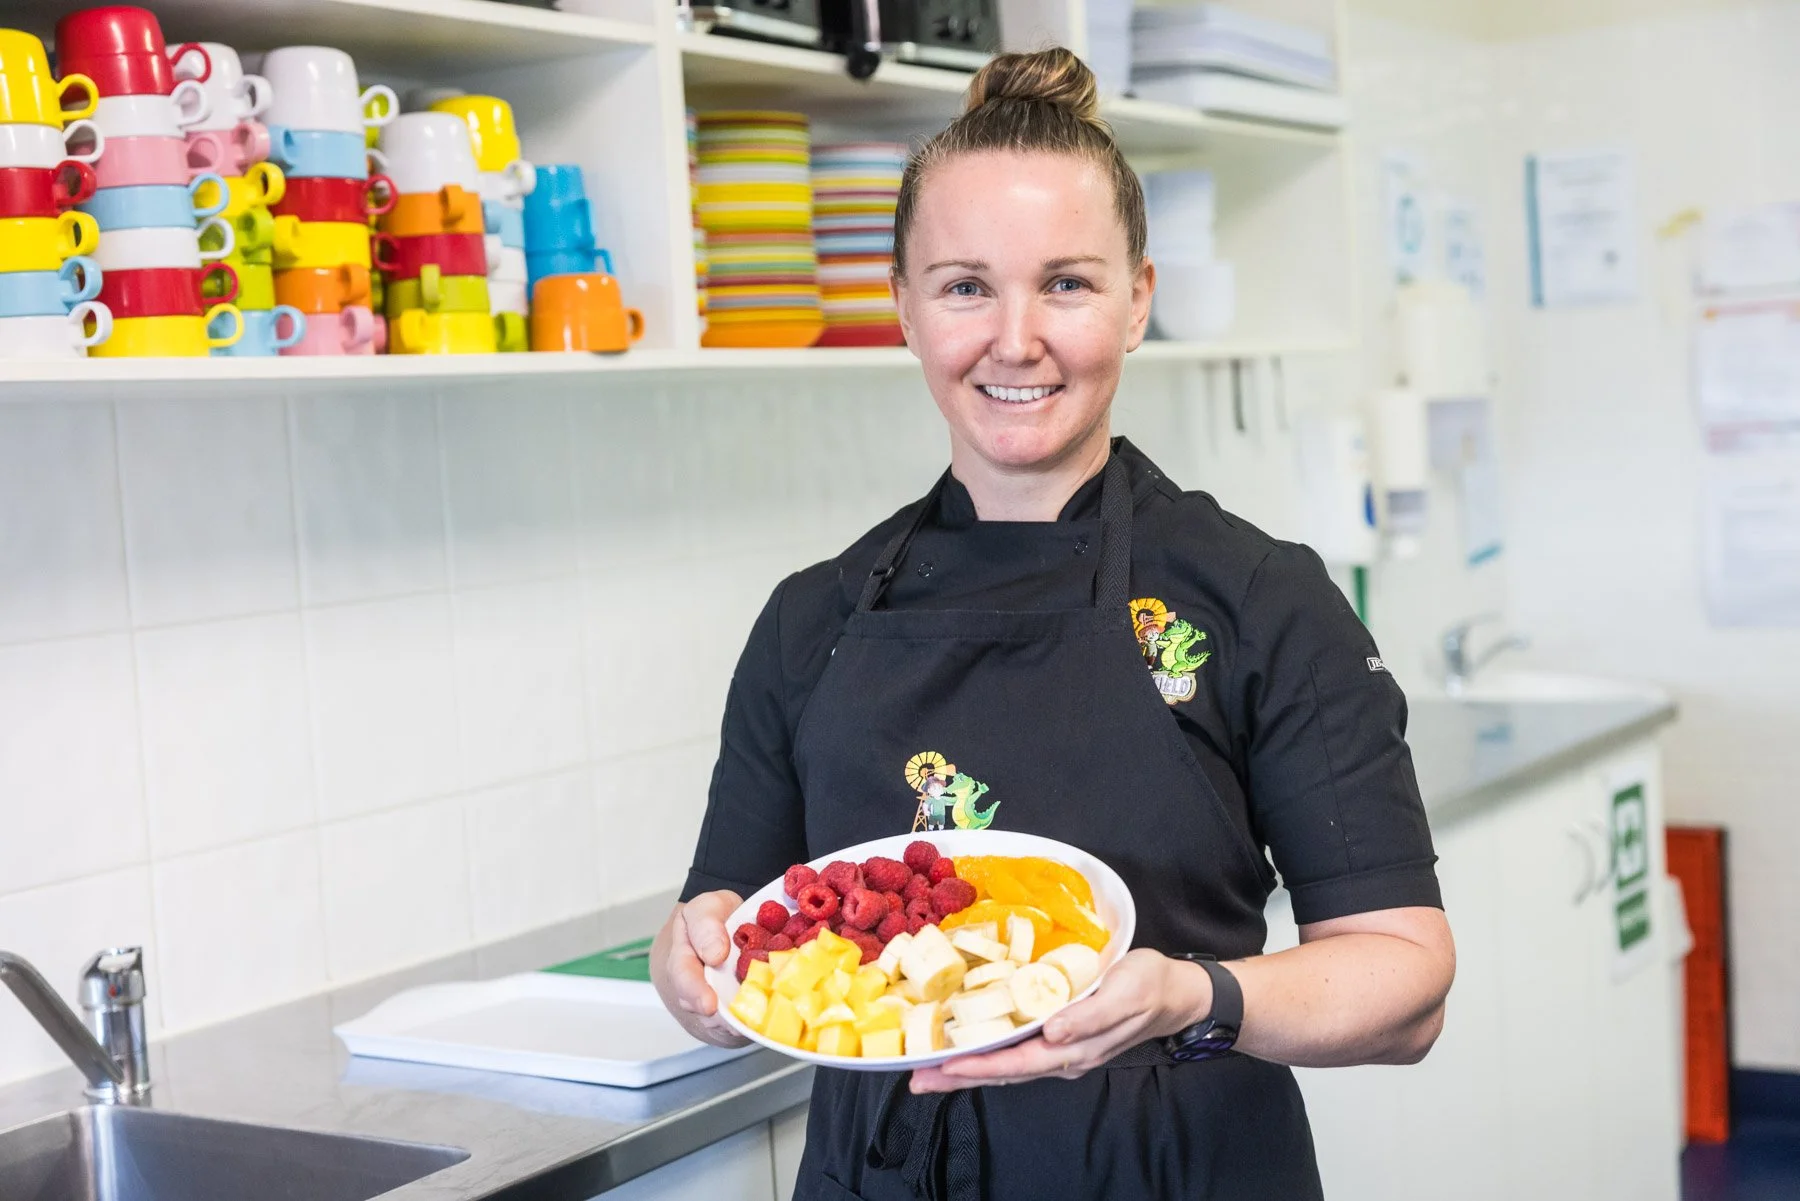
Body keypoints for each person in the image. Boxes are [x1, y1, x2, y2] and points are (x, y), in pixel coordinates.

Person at [652, 46, 1456, 1201]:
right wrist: (692, 972)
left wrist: (1197, 995)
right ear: (906, 308)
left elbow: (1407, 983)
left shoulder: (1259, 599)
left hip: (1180, 1174)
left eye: (1068, 284)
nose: (1015, 339)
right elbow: (724, 930)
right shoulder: (810, 621)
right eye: (966, 285)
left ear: (1139, 300)